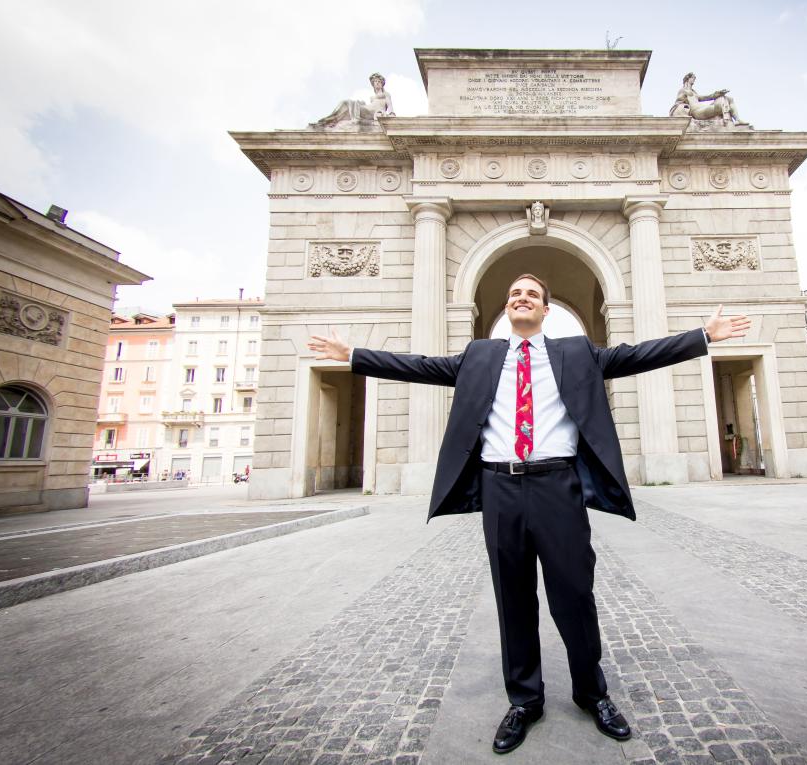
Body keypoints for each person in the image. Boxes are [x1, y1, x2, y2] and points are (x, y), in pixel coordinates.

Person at [308, 274, 749, 754]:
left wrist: (703, 336)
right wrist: (353, 356)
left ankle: (592, 693)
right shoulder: (479, 356)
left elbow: (636, 355)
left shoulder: (576, 352)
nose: (522, 298)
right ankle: (524, 700)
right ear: (506, 308)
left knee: (574, 596)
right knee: (513, 599)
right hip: (500, 487)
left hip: (556, 485)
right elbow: (420, 365)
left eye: (532, 295)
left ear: (545, 309)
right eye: (515, 294)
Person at [310, 72, 394, 128]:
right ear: (373, 84)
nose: (377, 83)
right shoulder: (372, 98)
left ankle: (330, 122)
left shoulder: (386, 94)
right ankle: (329, 121)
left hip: (375, 113)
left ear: (382, 83)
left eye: (379, 81)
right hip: (367, 109)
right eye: (375, 81)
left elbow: (390, 106)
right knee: (346, 103)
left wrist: (391, 115)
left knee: (348, 104)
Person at [669, 72, 746, 125]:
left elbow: (706, 97)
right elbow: (678, 104)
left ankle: (737, 120)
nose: (694, 80)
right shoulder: (683, 90)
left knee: (728, 99)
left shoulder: (694, 92)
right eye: (693, 78)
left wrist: (717, 94)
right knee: (720, 105)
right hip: (697, 112)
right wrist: (685, 108)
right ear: (688, 79)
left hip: (704, 108)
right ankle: (727, 121)